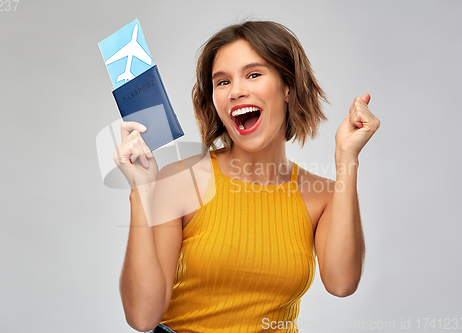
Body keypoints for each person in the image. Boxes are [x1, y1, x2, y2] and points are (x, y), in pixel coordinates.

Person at [113, 20, 380, 333]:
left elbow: (342, 284)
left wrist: (346, 160)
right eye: (222, 82)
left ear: (288, 87)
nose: (236, 91)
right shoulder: (182, 181)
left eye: (253, 74)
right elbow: (142, 317)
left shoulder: (321, 196)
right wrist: (140, 192)